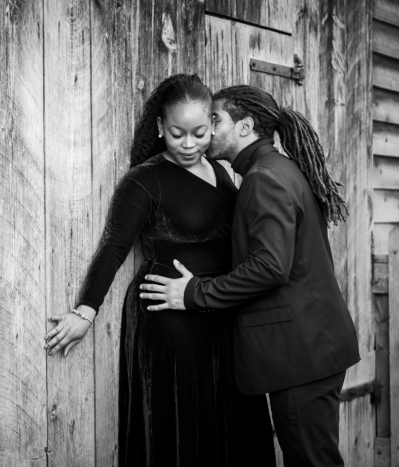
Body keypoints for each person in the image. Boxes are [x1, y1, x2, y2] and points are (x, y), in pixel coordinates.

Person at [43, 75, 276, 466]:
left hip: (221, 318)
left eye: (200, 133)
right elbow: (115, 247)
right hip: (169, 322)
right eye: (177, 134)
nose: (189, 144)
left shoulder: (219, 171)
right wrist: (86, 309)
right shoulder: (145, 180)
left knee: (234, 432)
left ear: (213, 126)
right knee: (181, 433)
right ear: (159, 128)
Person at [139, 84, 360, 467]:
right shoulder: (278, 169)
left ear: (245, 126)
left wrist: (194, 293)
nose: (207, 128)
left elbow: (270, 267)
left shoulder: (263, 179)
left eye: (215, 119)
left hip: (300, 355)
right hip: (308, 350)